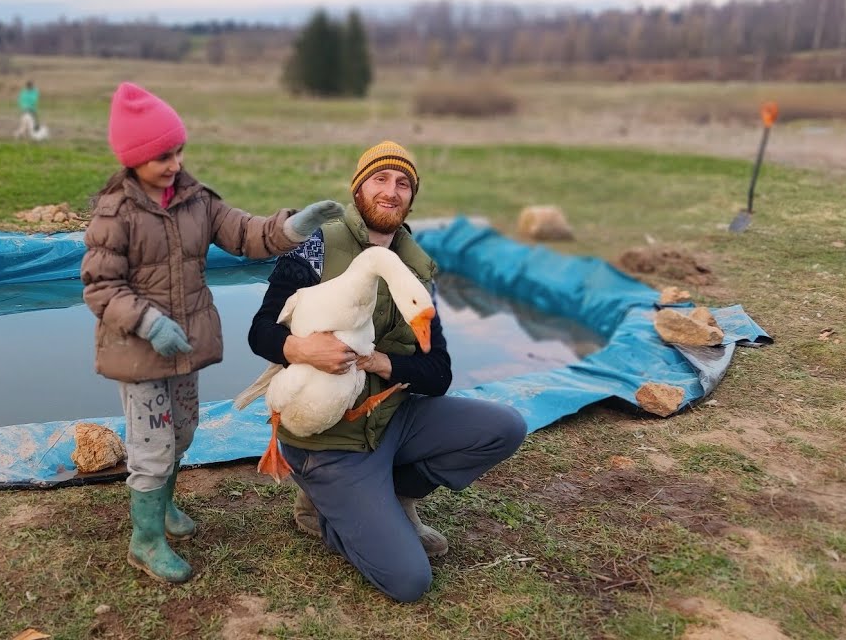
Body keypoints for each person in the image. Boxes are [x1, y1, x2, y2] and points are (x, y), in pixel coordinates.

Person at [81, 81, 345, 584]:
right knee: (151, 447)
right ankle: (145, 540)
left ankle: (164, 507)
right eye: (163, 156)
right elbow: (100, 287)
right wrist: (147, 322)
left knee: (182, 433)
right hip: (139, 354)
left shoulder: (196, 201)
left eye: (178, 151)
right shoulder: (115, 215)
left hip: (184, 348)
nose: (175, 163)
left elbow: (246, 234)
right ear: (133, 159)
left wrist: (294, 226)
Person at [247, 140, 528, 603]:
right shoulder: (317, 245)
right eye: (380, 179)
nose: (391, 191)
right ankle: (325, 510)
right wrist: (300, 348)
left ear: (411, 198)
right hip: (331, 439)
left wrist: (381, 362)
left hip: (391, 419)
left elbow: (438, 373)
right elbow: (261, 332)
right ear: (358, 189)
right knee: (409, 581)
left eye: (403, 184)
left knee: (504, 427)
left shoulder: (415, 268)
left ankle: (394, 497)